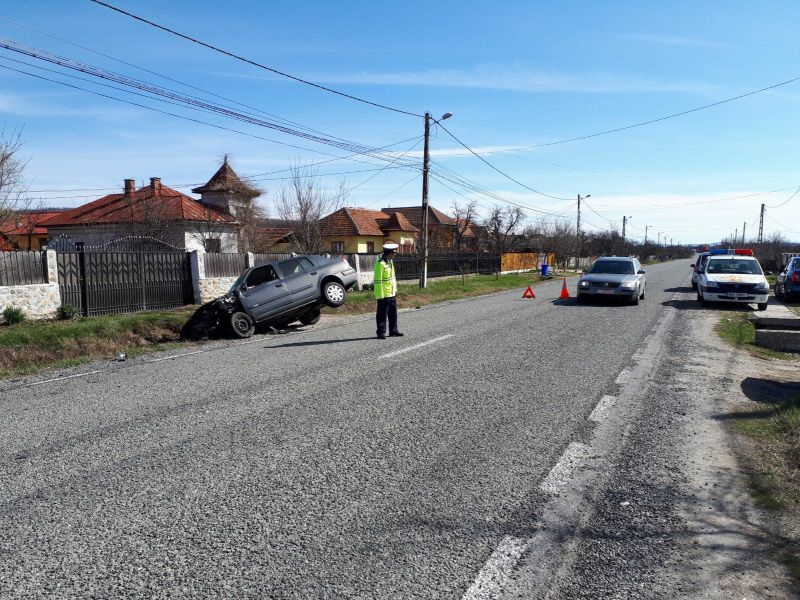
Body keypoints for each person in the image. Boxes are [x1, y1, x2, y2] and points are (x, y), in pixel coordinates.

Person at [374, 242, 404, 339]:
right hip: (383, 294)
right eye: (393, 253)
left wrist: (394, 290)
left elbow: (392, 278)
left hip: (391, 293)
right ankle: (381, 332)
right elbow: (378, 281)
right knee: (382, 315)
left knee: (393, 314)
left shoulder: (390, 262)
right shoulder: (380, 264)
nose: (394, 255)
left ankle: (393, 331)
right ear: (389, 253)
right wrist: (380, 296)